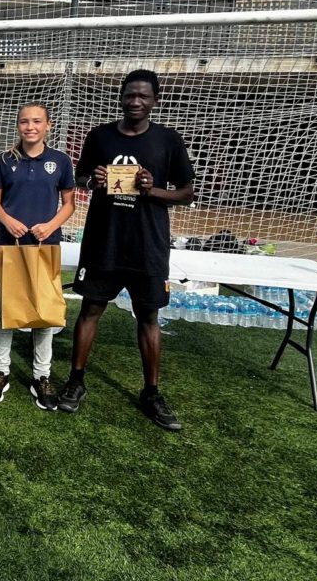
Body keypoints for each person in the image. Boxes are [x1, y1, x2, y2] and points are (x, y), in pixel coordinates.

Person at [57, 69, 194, 430]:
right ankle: (76, 380)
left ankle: (151, 392)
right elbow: (81, 177)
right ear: (121, 97)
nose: (136, 101)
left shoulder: (168, 140)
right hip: (105, 241)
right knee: (90, 309)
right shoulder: (99, 135)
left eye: (143, 96)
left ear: (155, 100)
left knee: (148, 317)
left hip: (148, 245)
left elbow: (187, 192)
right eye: (130, 95)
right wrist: (94, 180)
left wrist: (153, 189)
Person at [0, 103, 75, 408]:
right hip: (9, 245)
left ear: (48, 125)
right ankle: (0, 371)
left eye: (37, 121)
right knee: (7, 309)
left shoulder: (61, 161)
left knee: (44, 311)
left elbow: (69, 205)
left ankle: (42, 376)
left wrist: (50, 225)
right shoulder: (4, 160)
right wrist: (7, 220)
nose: (30, 127)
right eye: (24, 121)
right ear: (18, 125)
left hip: (45, 245)